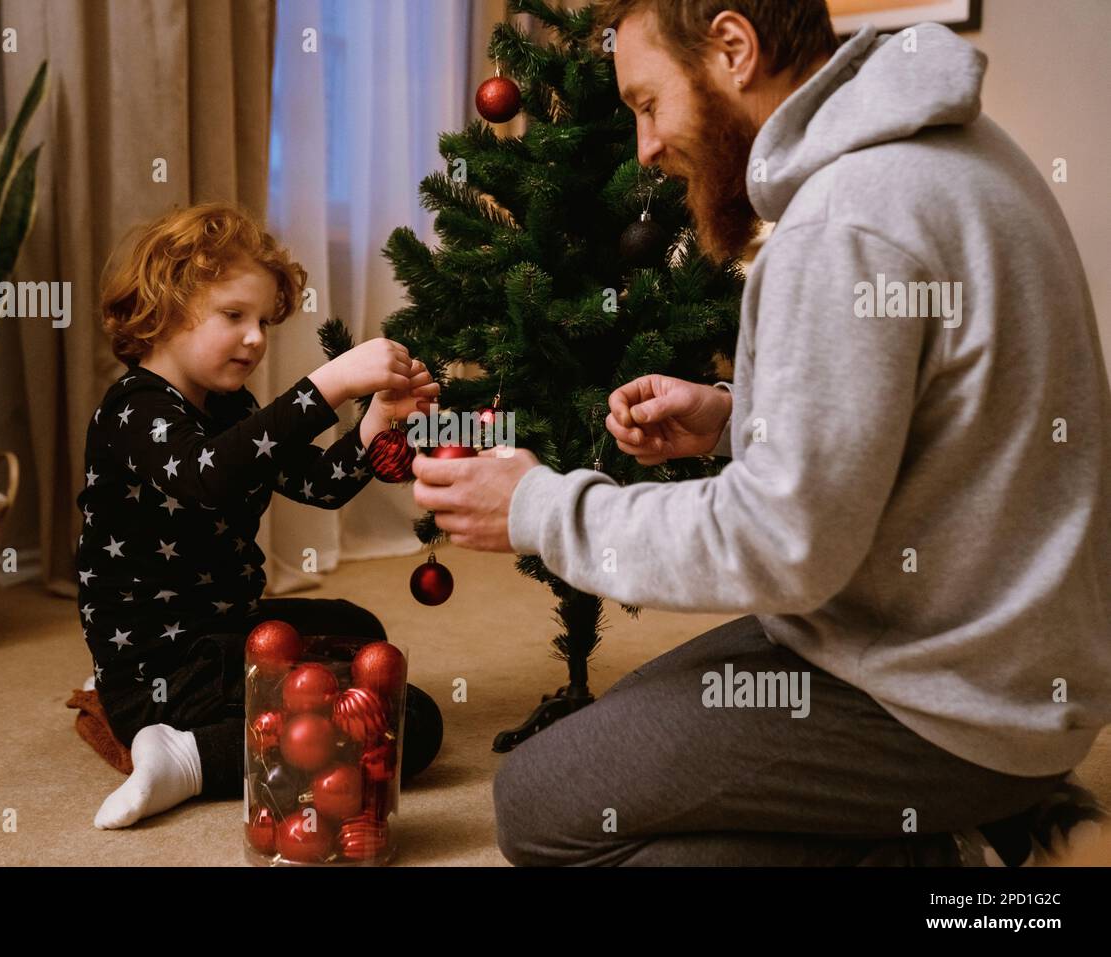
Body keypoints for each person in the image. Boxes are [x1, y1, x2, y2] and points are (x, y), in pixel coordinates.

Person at [411, 0, 1111, 865]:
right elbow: (937, 426)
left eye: (647, 103)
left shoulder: (843, 221)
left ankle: (965, 861)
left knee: (544, 808)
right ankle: (1005, 816)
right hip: (990, 661)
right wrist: (737, 417)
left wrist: (539, 508)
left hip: (943, 697)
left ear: (733, 48)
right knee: (637, 784)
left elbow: (783, 545)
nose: (645, 148)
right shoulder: (957, 149)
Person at [76, 201, 440, 828]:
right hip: (163, 664)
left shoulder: (229, 407)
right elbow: (209, 475)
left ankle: (199, 724)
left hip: (224, 629)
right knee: (410, 721)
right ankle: (185, 757)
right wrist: (330, 382)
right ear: (165, 310)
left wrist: (378, 418)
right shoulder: (133, 411)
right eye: (233, 315)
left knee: (361, 629)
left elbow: (323, 485)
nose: (255, 337)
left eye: (264, 321)